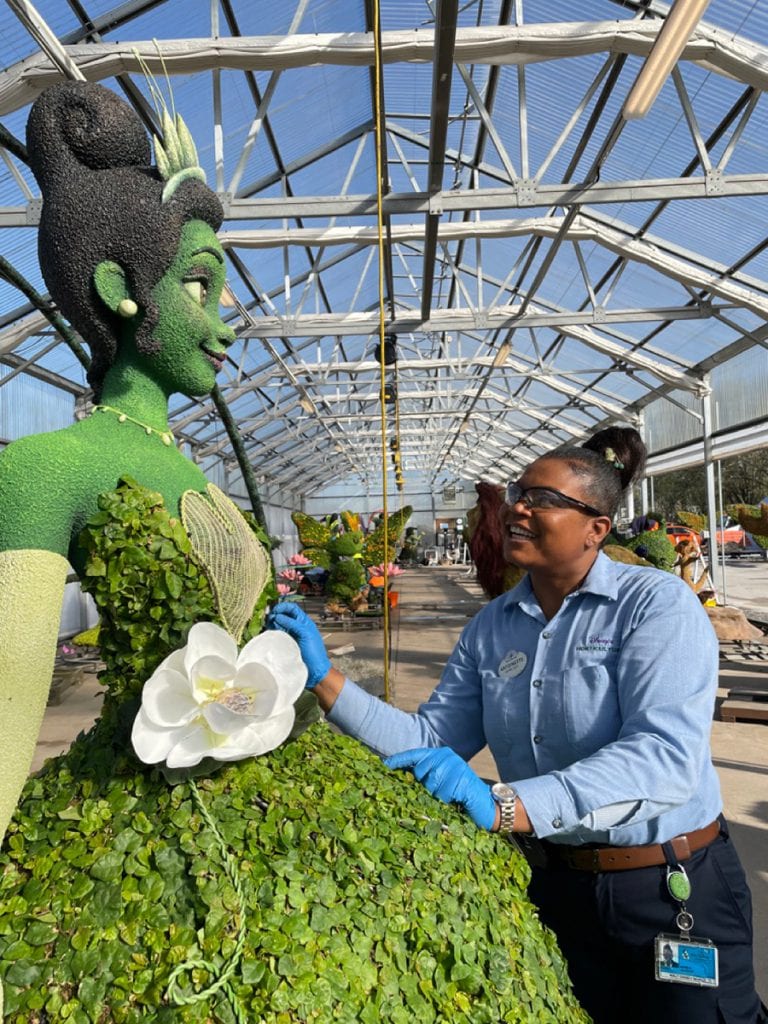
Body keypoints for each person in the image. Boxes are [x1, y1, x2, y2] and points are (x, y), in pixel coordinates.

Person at [0, 82, 588, 1023]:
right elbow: (4, 702)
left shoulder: (190, 472)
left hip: (285, 776)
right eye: (200, 286)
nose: (226, 319)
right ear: (119, 289)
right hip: (160, 815)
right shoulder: (47, 466)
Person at [270, 426, 764, 1024]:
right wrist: (324, 680)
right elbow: (432, 741)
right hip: (558, 886)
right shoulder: (493, 627)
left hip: (668, 886)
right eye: (518, 494)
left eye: (543, 498)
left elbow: (663, 756)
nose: (518, 507)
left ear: (596, 529)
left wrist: (509, 806)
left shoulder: (654, 605)